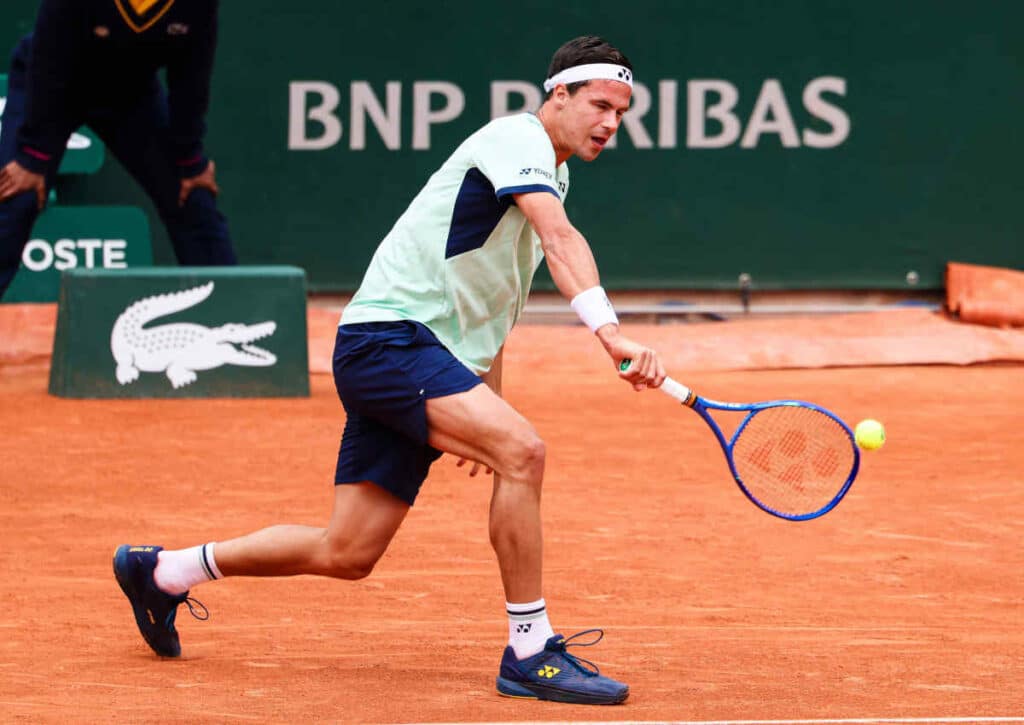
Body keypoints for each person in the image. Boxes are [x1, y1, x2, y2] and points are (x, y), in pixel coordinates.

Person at [112, 35, 666, 706]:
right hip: (388, 343)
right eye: (601, 104)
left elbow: (484, 296)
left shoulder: (552, 169)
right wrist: (609, 334)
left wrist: (486, 400)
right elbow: (560, 240)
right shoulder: (517, 141)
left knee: (346, 550)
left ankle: (165, 571)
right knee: (525, 451)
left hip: (407, 352)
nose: (610, 122)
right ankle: (530, 649)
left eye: (623, 112)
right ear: (560, 95)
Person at [0, 0, 237, 300]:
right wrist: (33, 157)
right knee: (15, 194)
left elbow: (191, 78)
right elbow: (49, 61)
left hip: (131, 96)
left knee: (190, 195)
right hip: (50, 88)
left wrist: (189, 160)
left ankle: (232, 309)